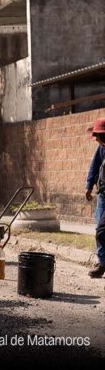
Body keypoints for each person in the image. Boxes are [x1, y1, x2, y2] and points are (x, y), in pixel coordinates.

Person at [87, 118, 105, 278]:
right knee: (100, 229)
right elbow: (94, 167)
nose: (97, 140)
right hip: (102, 197)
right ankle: (102, 263)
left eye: (98, 136)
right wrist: (89, 186)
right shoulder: (101, 149)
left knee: (101, 231)